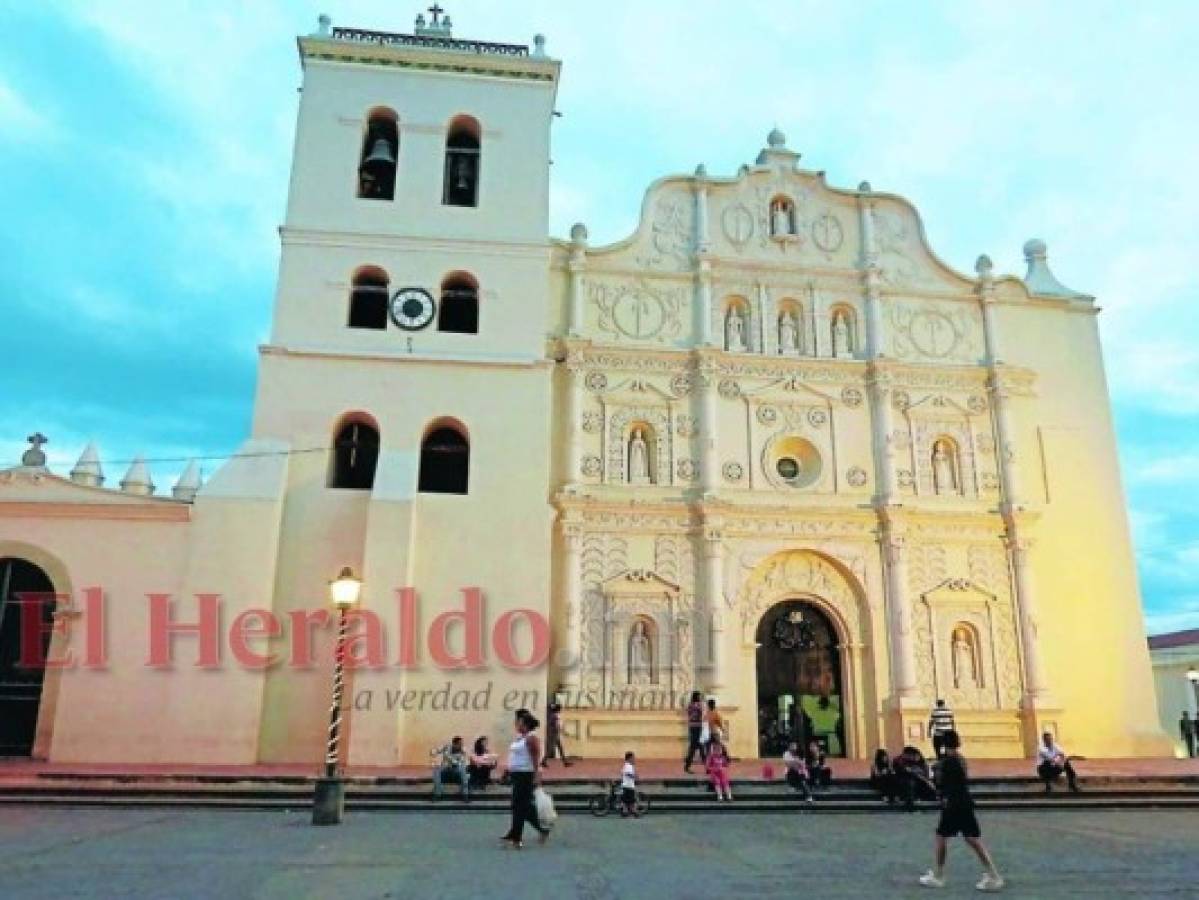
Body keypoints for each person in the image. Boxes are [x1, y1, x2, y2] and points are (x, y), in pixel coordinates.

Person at [919, 729, 1004, 892]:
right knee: (973, 839)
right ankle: (993, 874)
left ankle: (939, 875)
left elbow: (942, 783)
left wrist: (935, 776)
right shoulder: (961, 759)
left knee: (941, 837)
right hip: (965, 802)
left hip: (953, 804)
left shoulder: (947, 762)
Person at [499, 708, 551, 849]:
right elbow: (515, 756)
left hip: (525, 775)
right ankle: (537, 830)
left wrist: (536, 775)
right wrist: (508, 770)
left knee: (520, 806)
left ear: (526, 725)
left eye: (519, 723)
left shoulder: (531, 738)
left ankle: (517, 837)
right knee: (522, 806)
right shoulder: (520, 738)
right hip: (517, 774)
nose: (517, 725)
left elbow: (536, 758)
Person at [894, 745, 938, 811]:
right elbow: (902, 770)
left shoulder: (922, 763)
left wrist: (924, 778)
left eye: (914, 756)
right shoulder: (900, 760)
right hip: (906, 783)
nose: (912, 757)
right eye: (908, 755)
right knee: (910, 783)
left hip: (921, 783)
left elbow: (926, 775)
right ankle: (910, 803)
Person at [432, 735, 470, 802]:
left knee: (463, 770)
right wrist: (434, 752)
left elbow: (461, 762)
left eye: (461, 744)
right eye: (459, 744)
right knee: (436, 770)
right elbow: (435, 751)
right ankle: (437, 794)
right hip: (445, 770)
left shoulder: (463, 751)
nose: (461, 746)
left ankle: (465, 795)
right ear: (454, 744)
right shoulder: (446, 747)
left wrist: (453, 762)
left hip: (456, 771)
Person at [542, 700, 572, 767]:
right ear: (558, 709)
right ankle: (543, 761)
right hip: (553, 734)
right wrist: (564, 732)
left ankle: (565, 762)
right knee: (551, 749)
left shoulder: (551, 715)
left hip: (552, 734)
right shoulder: (555, 716)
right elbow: (557, 725)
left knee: (559, 748)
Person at [684, 690, 707, 772]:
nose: (700, 697)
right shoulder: (699, 705)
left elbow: (688, 714)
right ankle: (707, 767)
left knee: (694, 747)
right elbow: (702, 714)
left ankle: (687, 766)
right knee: (699, 747)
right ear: (697, 696)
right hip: (698, 727)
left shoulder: (690, 705)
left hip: (692, 727)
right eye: (700, 696)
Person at [706, 735, 733, 801]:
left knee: (725, 783)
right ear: (713, 751)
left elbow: (726, 765)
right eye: (716, 750)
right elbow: (707, 767)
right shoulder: (711, 757)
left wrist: (723, 768)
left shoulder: (723, 757)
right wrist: (713, 769)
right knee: (717, 783)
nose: (718, 752)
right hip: (715, 774)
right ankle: (720, 796)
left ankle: (729, 796)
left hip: (722, 774)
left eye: (719, 750)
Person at [620, 751, 640, 818]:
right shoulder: (629, 766)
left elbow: (623, 773)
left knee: (626, 801)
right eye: (633, 758)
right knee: (632, 801)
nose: (634, 759)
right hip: (629, 786)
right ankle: (635, 813)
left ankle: (625, 812)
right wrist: (635, 777)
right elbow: (628, 774)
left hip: (626, 785)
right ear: (629, 758)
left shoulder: (625, 765)